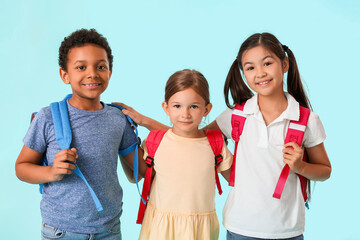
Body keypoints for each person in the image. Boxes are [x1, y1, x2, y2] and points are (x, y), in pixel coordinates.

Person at [115, 33, 331, 240]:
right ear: (243, 73)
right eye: (250, 67)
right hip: (241, 227)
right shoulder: (236, 116)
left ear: (284, 64)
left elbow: (325, 171)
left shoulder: (306, 120)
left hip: (288, 230)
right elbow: (188, 138)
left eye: (267, 63)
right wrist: (145, 122)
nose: (260, 73)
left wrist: (300, 166)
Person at [15, 28, 142, 240]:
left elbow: (140, 172)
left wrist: (150, 124)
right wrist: (52, 172)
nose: (92, 73)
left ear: (110, 71)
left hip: (108, 230)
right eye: (81, 67)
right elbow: (21, 167)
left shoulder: (118, 118)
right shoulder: (47, 118)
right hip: (61, 231)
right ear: (65, 75)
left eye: (101, 66)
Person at [136, 69, 233, 240]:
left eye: (194, 106)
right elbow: (135, 176)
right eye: (177, 106)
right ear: (166, 108)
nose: (185, 114)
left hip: (200, 230)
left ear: (207, 109)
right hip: (160, 228)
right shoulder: (154, 141)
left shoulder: (215, 144)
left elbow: (236, 181)